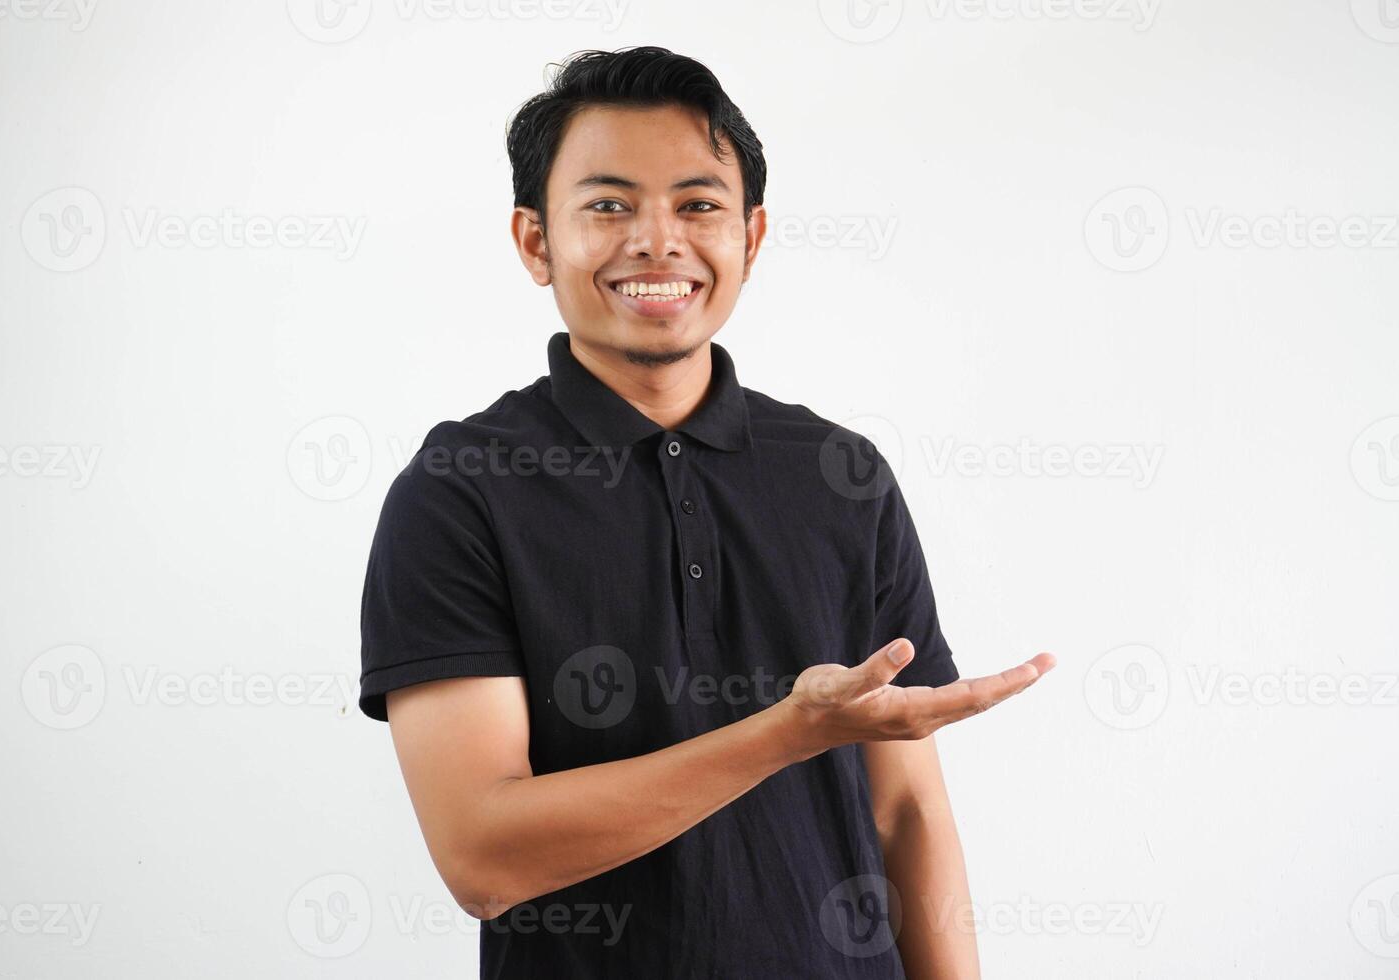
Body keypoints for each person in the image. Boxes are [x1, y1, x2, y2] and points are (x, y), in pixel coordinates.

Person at [358, 45, 1055, 979]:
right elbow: (484, 856)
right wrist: (786, 733)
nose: (658, 241)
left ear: (750, 239)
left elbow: (905, 810)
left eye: (698, 205)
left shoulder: (840, 474)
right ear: (534, 241)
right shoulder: (460, 489)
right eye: (608, 205)